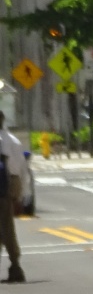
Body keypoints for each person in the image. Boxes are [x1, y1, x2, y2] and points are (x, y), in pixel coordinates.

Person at [0, 112, 27, 283]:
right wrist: (20, 195)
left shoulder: (5, 141)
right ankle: (15, 265)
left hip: (5, 185)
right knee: (7, 227)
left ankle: (15, 266)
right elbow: (21, 169)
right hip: (6, 187)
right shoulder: (12, 140)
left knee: (6, 227)